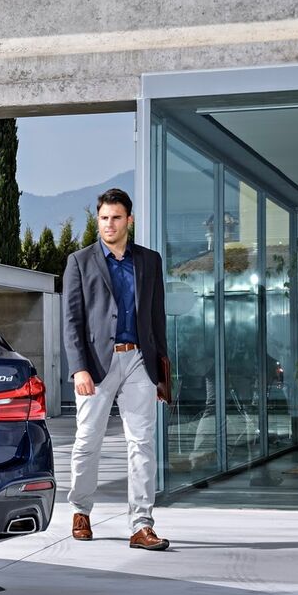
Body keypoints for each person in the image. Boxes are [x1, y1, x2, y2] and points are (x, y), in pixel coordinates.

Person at [63, 188, 172, 551]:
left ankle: (141, 524)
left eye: (116, 218)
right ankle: (80, 510)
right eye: (104, 218)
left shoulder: (149, 261)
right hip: (96, 365)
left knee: (142, 443)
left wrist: (161, 374)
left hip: (139, 360)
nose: (109, 224)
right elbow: (72, 321)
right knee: (87, 440)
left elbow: (156, 318)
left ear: (130, 220)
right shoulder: (79, 261)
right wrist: (78, 368)